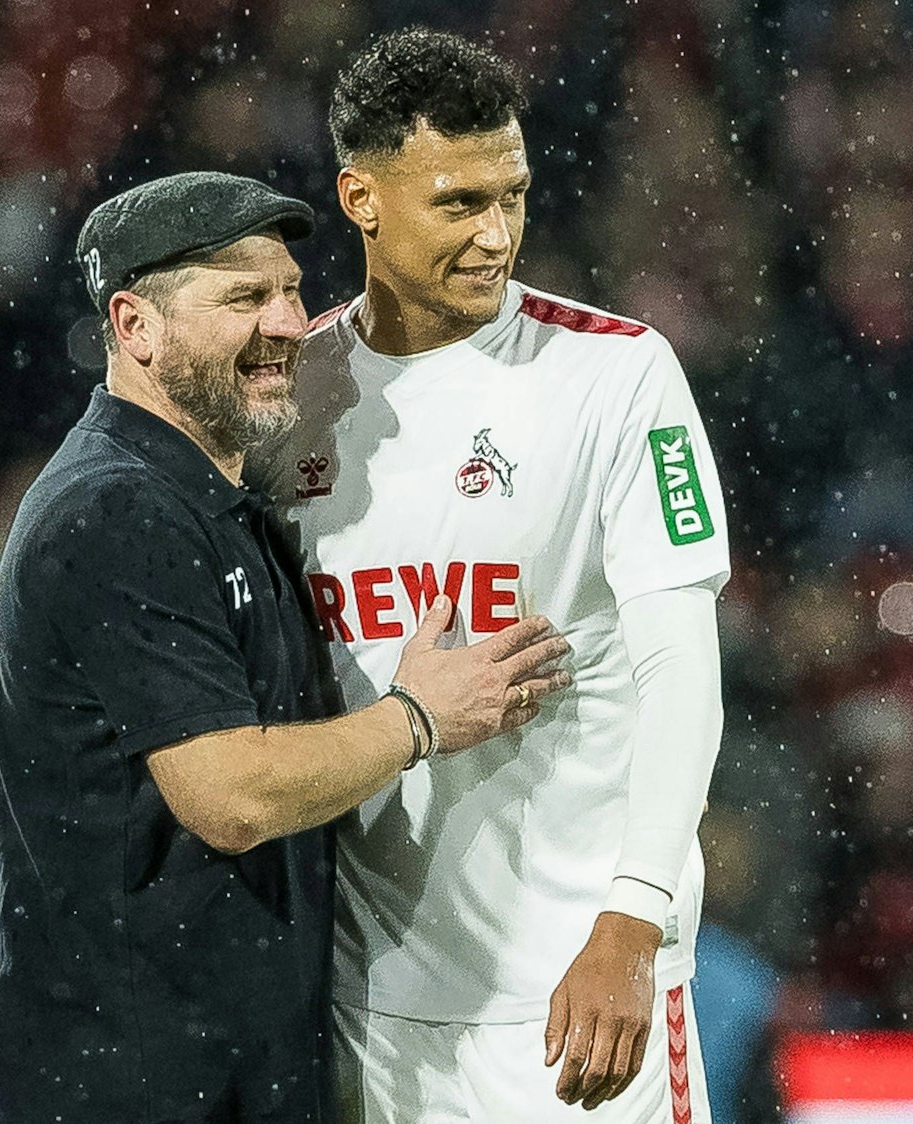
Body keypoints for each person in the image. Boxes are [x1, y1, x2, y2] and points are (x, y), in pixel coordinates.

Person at [0, 171, 573, 1124]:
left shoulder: (217, 504)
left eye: (290, 290)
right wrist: (418, 719)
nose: (288, 323)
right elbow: (230, 796)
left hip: (212, 1073)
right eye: (243, 297)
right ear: (135, 326)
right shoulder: (116, 509)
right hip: (126, 1086)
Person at [249, 28, 733, 1124]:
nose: (496, 234)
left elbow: (681, 676)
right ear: (361, 200)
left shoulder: (617, 373)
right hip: (365, 1006)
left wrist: (633, 921)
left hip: (575, 994)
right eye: (458, 203)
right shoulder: (291, 392)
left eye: (511, 195)